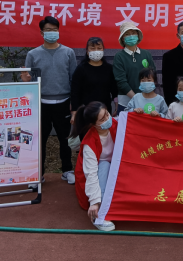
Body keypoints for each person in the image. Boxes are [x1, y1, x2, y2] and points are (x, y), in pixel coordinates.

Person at [21, 16, 77, 184]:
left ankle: (67, 170)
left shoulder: (68, 52)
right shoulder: (33, 54)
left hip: (63, 103)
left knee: (65, 139)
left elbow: (73, 79)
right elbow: (29, 81)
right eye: (48, 30)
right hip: (41, 104)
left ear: (59, 31)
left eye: (54, 30)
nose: (52, 33)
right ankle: (38, 173)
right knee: (39, 140)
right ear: (41, 33)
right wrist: (26, 80)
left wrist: (73, 105)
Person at [71, 101, 117, 231]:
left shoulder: (115, 124)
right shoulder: (89, 143)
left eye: (107, 114)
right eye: (102, 119)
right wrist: (94, 202)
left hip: (113, 168)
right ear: (93, 125)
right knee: (104, 165)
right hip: (98, 173)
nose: (108, 119)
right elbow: (91, 174)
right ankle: (100, 214)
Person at [71, 37, 118, 124]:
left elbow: (114, 90)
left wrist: (116, 106)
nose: (96, 50)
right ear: (87, 51)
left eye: (99, 48)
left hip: (104, 110)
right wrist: (74, 112)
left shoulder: (109, 68)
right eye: (92, 48)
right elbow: (75, 91)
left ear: (103, 50)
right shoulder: (81, 69)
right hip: (85, 111)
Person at [113, 22, 155, 114]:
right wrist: (137, 98)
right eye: (127, 34)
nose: (131, 36)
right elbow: (121, 82)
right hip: (126, 102)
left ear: (138, 35)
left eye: (133, 33)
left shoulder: (146, 54)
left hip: (147, 101)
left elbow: (153, 75)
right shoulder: (119, 56)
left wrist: (148, 96)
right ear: (123, 38)